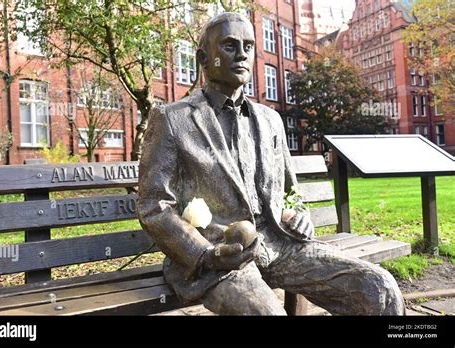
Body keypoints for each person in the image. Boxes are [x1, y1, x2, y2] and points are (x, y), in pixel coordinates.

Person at [137, 12, 405, 315]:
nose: (241, 54)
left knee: (379, 288)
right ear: (203, 56)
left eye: (248, 46)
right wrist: (207, 254)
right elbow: (154, 206)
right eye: (229, 46)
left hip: (281, 246)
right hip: (218, 261)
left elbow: (290, 192)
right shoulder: (173, 120)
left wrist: (300, 214)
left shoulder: (270, 120)